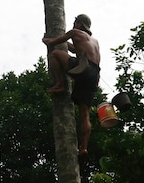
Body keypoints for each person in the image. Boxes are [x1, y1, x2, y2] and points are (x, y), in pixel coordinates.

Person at [42, 14, 101, 156]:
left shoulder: (75, 32)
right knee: (84, 114)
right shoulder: (94, 41)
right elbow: (74, 49)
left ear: (79, 24)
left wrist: (47, 39)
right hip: (94, 75)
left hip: (84, 68)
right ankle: (84, 148)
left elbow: (53, 42)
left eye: (75, 22)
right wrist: (63, 43)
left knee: (55, 54)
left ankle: (60, 84)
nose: (74, 25)